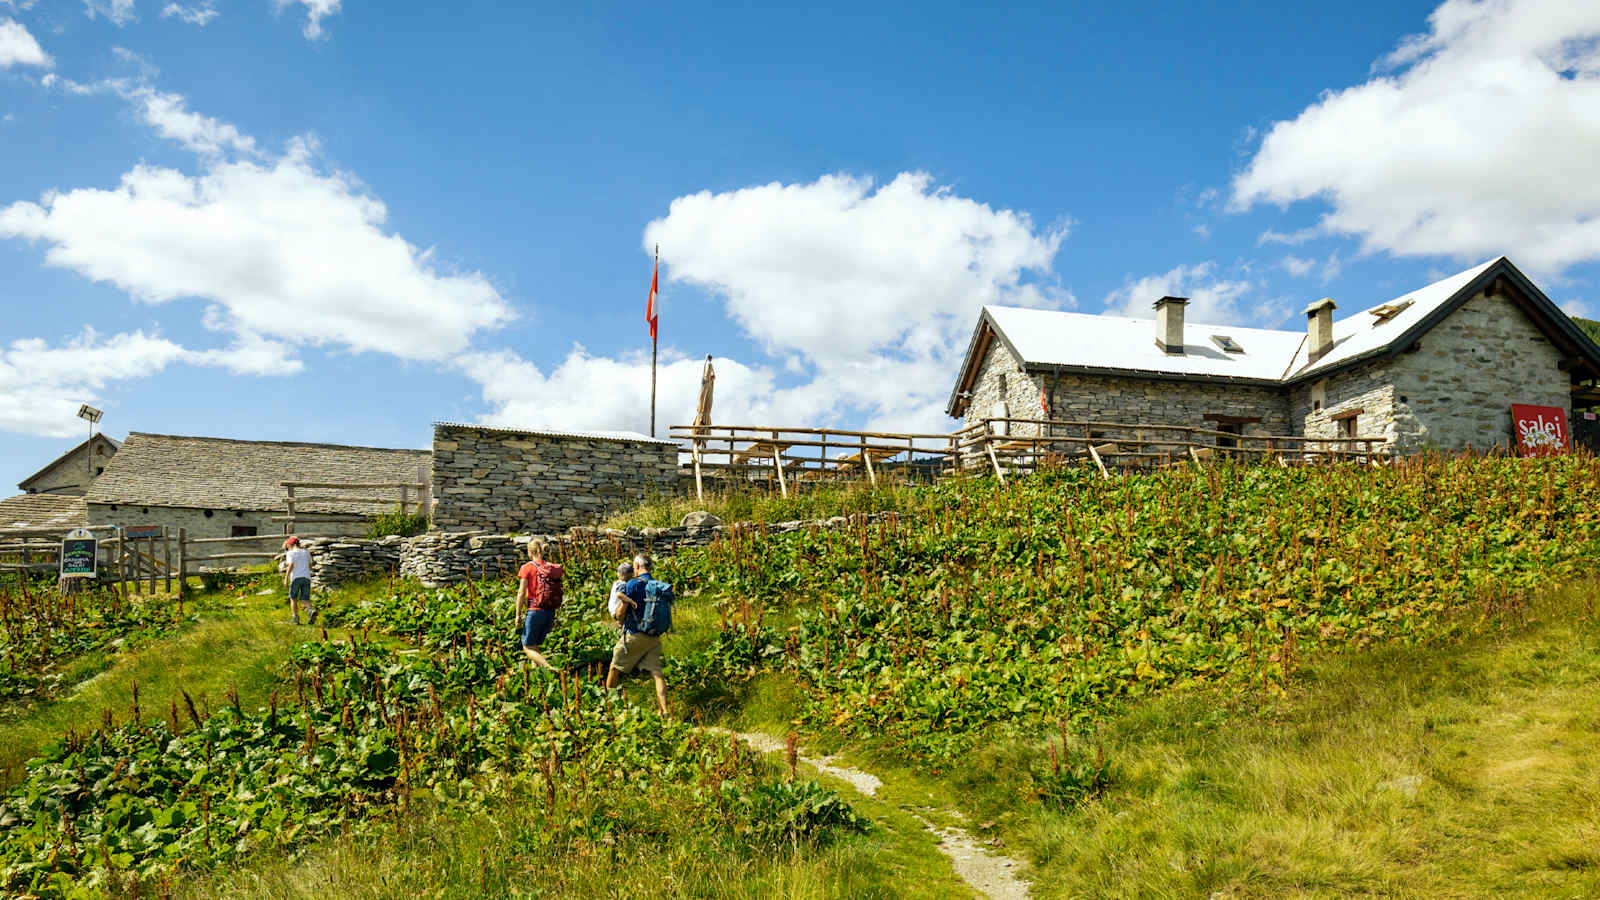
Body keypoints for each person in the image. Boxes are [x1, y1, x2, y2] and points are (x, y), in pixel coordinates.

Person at [606, 553, 668, 715]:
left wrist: (622, 607)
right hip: (654, 636)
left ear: (638, 567)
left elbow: (620, 614)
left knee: (614, 667)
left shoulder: (632, 585)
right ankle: (665, 711)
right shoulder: (657, 584)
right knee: (657, 674)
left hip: (634, 634)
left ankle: (609, 707)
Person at [515, 540, 563, 671]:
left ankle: (549, 667)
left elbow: (521, 593)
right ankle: (537, 673)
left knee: (527, 647)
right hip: (550, 611)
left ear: (530, 552)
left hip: (535, 610)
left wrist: (518, 615)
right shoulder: (550, 567)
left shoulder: (527, 567)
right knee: (535, 645)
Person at [283, 536, 316, 625]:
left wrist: (286, 578)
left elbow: (291, 565)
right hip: (306, 577)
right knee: (305, 598)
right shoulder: (306, 552)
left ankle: (295, 618)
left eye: (287, 546)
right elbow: (310, 565)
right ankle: (310, 610)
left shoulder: (290, 553)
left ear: (290, 544)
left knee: (293, 598)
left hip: (296, 578)